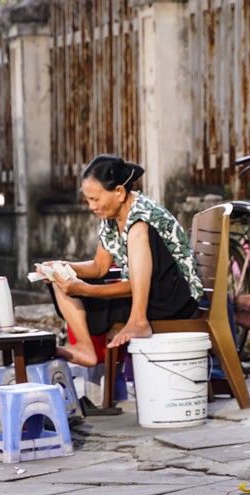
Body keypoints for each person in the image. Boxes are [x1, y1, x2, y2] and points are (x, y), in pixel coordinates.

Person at [39, 154, 203, 367]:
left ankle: (138, 321)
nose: (91, 206)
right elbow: (99, 267)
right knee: (60, 279)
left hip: (173, 295)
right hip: (146, 294)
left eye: (95, 199)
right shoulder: (111, 217)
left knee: (137, 231)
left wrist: (85, 290)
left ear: (119, 192)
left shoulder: (143, 216)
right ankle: (85, 347)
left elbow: (147, 282)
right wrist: (61, 267)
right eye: (88, 199)